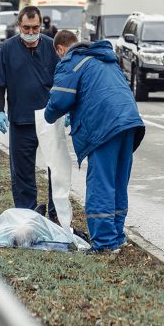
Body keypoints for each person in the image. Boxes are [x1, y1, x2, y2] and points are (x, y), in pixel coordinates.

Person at [45, 30, 145, 253]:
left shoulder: (71, 61)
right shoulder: (104, 58)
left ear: (60, 50)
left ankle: (104, 243)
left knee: (101, 184)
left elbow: (59, 100)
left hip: (104, 126)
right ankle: (117, 237)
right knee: (118, 181)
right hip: (129, 122)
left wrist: (48, 115)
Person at [0, 6, 60, 213]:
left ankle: (57, 215)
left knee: (56, 171)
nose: (31, 33)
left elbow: (64, 80)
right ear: (18, 25)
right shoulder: (7, 49)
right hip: (21, 120)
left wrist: (68, 110)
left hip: (50, 119)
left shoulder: (51, 47)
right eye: (27, 28)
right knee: (22, 173)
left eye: (35, 28)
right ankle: (26, 213)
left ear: (41, 26)